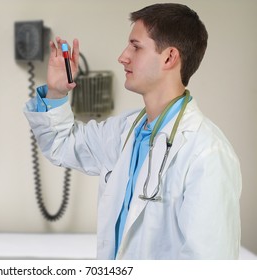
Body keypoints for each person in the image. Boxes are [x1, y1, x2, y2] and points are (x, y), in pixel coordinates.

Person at [23, 3, 242, 259]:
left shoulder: (207, 153)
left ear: (169, 57)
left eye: (135, 47)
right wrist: (57, 92)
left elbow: (208, 266)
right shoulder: (125, 132)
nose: (123, 56)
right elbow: (61, 144)